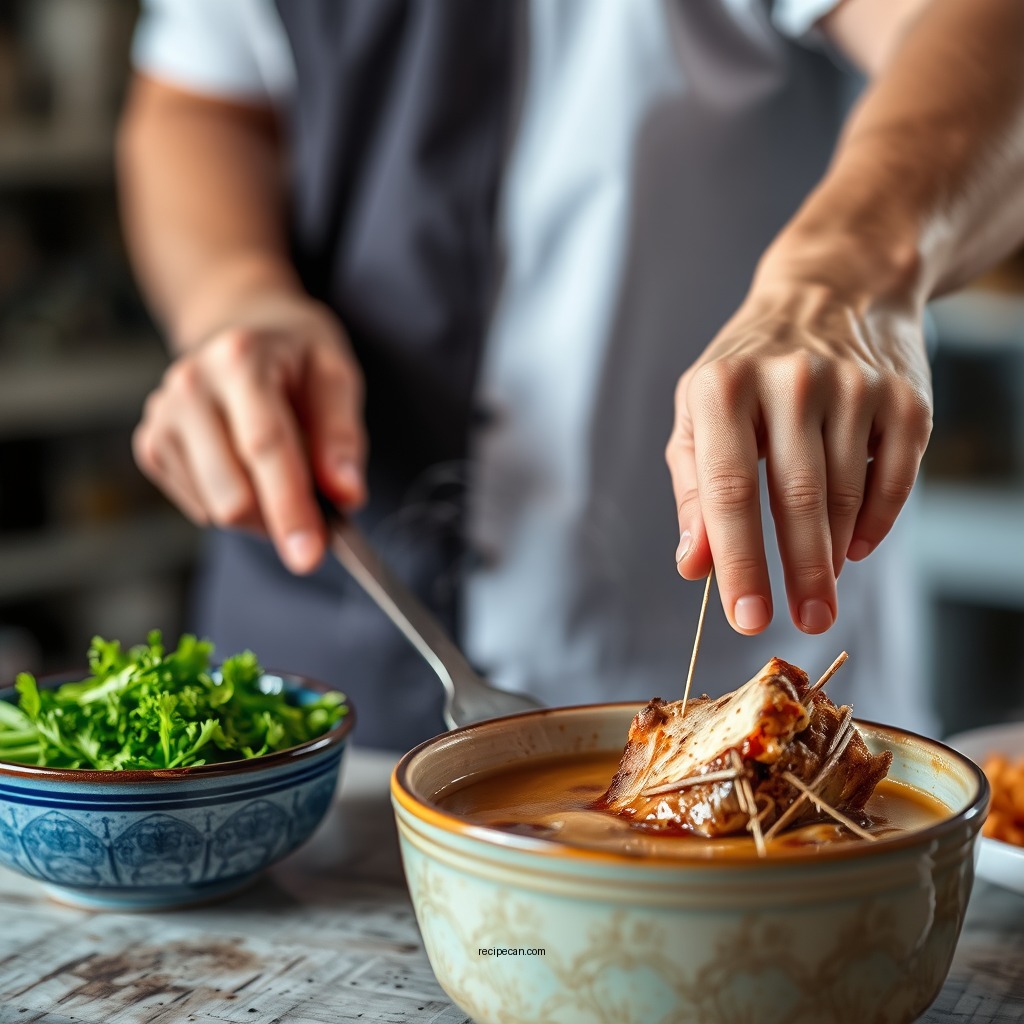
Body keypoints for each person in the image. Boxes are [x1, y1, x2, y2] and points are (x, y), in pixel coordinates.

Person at [119, 0, 1024, 750]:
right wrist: (237, 298)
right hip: (325, 650)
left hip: (724, 667)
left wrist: (845, 274)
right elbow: (200, 100)